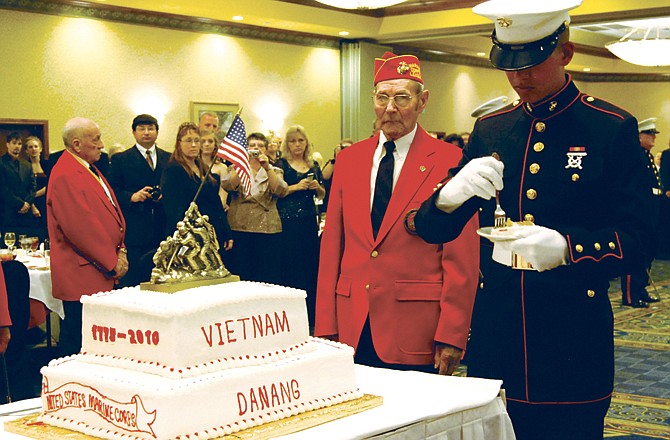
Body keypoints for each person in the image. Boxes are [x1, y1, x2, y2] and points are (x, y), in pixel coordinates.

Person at [414, 1, 653, 438]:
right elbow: (431, 228)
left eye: (533, 61)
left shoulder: (609, 127)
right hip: (497, 340)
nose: (520, 76)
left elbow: (640, 239)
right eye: (509, 64)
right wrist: (450, 195)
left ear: (566, 52)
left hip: (571, 343)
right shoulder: (492, 129)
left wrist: (568, 247)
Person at [315, 52, 479, 374]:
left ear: (422, 101)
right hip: (352, 325)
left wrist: (452, 334)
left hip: (416, 329)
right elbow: (332, 245)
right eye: (382, 98)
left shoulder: (449, 161)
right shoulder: (349, 160)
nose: (390, 109)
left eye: (401, 97)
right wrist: (325, 325)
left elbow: (462, 259)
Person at [47, 117, 128, 357]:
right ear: (76, 144)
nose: (102, 145)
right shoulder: (65, 173)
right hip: (83, 271)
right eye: (96, 139)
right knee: (80, 342)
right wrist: (112, 262)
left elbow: (112, 212)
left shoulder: (87, 168)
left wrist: (121, 249)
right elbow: (80, 228)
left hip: (99, 268)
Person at [108, 114, 170, 287]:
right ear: (134, 133)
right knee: (135, 279)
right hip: (135, 227)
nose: (146, 133)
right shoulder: (121, 159)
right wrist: (132, 196)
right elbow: (111, 191)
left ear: (157, 132)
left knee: (161, 280)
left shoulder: (169, 158)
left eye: (151, 129)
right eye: (142, 129)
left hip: (162, 226)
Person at [221, 132, 288, 284]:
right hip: (240, 226)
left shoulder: (275, 170)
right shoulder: (235, 168)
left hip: (267, 227)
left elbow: (281, 190)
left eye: (260, 146)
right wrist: (242, 165)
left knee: (267, 274)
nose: (256, 148)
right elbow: (228, 185)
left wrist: (267, 167)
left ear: (265, 149)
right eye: (252, 145)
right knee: (242, 273)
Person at [275, 125, 325, 327]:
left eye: (300, 140)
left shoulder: (313, 166)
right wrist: (297, 187)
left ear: (306, 143)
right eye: (293, 141)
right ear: (287, 144)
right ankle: (291, 314)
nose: (297, 145)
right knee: (291, 264)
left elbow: (322, 195)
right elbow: (278, 191)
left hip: (308, 220)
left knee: (310, 264)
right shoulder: (282, 164)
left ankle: (311, 314)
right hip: (288, 221)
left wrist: (316, 187)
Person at [160, 122, 233, 260]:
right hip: (188, 236)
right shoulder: (173, 170)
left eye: (196, 141)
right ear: (179, 144)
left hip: (211, 233)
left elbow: (215, 203)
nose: (193, 145)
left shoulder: (203, 167)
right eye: (188, 141)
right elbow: (173, 209)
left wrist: (226, 231)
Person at [619, 117, 662, 307]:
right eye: (649, 134)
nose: (653, 138)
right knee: (635, 252)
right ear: (639, 137)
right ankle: (630, 295)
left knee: (647, 251)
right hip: (638, 211)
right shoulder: (634, 155)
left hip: (650, 208)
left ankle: (640, 288)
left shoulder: (647, 156)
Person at [0, 132, 39, 237]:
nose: (17, 146)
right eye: (14, 143)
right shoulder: (1, 163)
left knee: (27, 243)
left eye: (19, 144)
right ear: (8, 144)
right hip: (8, 212)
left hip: (26, 214)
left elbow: (33, 187)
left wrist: (27, 203)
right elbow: (3, 189)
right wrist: (21, 204)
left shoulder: (27, 165)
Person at [23, 136, 48, 237]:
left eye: (36, 146)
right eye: (30, 147)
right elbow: (23, 187)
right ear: (26, 151)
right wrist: (32, 204)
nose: (33, 149)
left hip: (46, 202)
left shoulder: (47, 164)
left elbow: (51, 183)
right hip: (30, 204)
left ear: (40, 149)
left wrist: (35, 194)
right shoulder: (23, 166)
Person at [199, 129, 230, 210]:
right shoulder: (193, 166)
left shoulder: (222, 167)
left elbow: (223, 193)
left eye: (210, 141)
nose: (207, 144)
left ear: (215, 145)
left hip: (216, 208)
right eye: (203, 141)